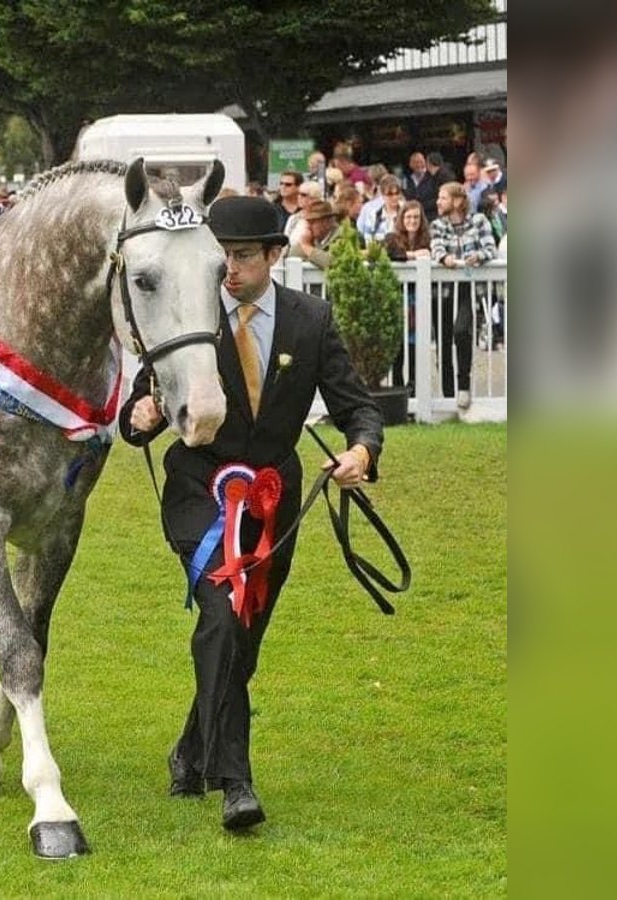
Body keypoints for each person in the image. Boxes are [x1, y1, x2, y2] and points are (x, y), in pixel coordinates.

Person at [119, 196, 384, 834]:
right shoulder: (194, 310)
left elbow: (357, 406)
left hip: (273, 500)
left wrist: (360, 450)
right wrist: (142, 417)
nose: (229, 270)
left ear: (275, 254)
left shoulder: (310, 320)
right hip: (200, 492)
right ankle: (235, 782)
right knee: (219, 619)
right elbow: (139, 411)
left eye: (242, 256)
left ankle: (190, 749)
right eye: (223, 257)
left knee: (245, 642)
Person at [430, 181, 498, 409]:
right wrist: (443, 258)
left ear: (458, 201)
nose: (438, 202)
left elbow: (491, 248)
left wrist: (478, 256)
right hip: (443, 290)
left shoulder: (479, 221)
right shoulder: (437, 225)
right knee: (443, 340)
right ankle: (448, 394)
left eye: (443, 197)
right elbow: (436, 247)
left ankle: (463, 386)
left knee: (461, 331)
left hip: (468, 288)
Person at [383, 201, 432, 391]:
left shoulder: (427, 238)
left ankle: (413, 389)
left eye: (416, 217)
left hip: (418, 299)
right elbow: (393, 253)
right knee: (397, 348)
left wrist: (423, 253)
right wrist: (414, 255)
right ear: (402, 219)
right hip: (397, 297)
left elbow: (430, 252)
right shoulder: (392, 237)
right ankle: (397, 387)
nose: (412, 221)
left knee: (414, 346)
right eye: (408, 217)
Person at [289, 200, 341, 269]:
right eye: (307, 222)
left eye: (313, 222)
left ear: (326, 222)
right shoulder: (311, 238)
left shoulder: (341, 236)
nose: (308, 226)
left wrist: (307, 247)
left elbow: (334, 263)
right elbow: (290, 255)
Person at [358, 174, 404, 244]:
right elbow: (368, 240)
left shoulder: (406, 212)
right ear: (382, 195)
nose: (394, 197)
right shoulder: (373, 215)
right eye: (390, 194)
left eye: (397, 193)